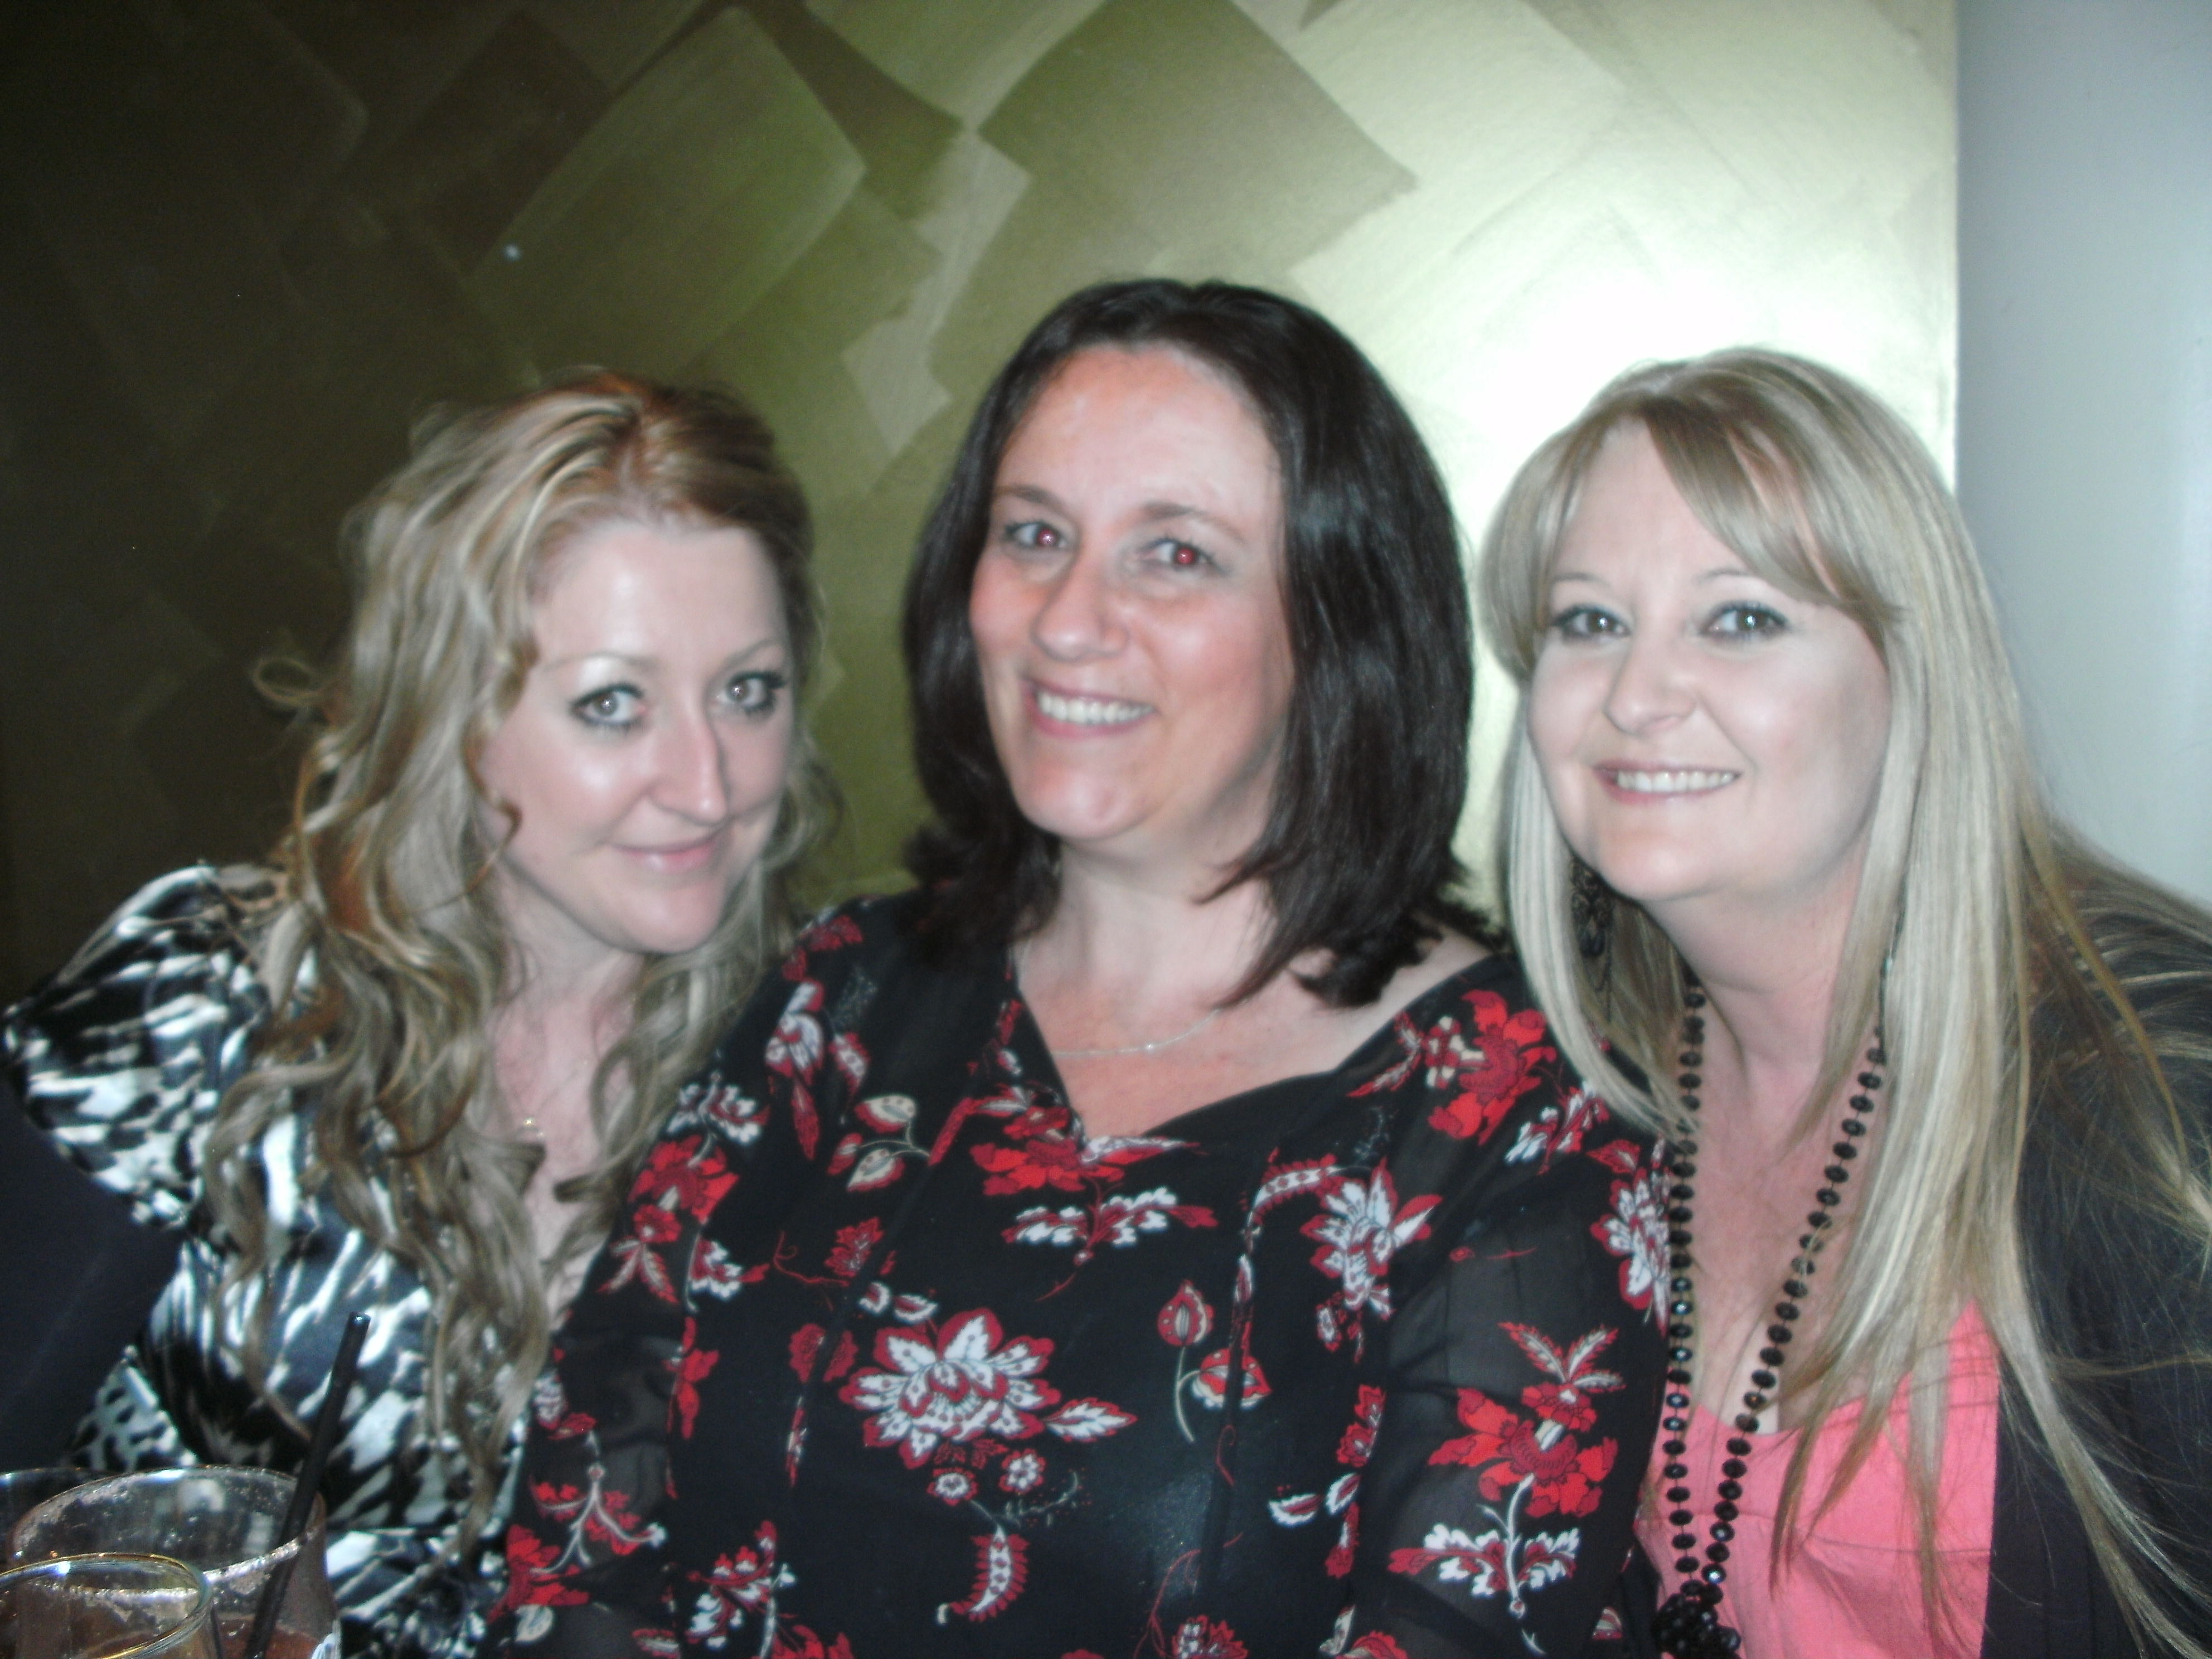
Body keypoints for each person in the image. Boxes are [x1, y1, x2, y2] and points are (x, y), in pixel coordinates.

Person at [492, 279, 1667, 1659]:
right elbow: (584, 1517)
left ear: (1336, 621)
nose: (1066, 619)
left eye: (1174, 554)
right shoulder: (845, 992)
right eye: (1035, 534)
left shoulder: (1517, 1119)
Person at [1, 372, 836, 1659]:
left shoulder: (806, 1086)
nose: (707, 784)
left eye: (748, 691)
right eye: (612, 702)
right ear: (456, 715)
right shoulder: (214, 1000)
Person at [1481, 347, 2212, 1658]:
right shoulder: (1571, 1091)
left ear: (1910, 672)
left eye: (1739, 619)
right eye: (1588, 623)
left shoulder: (2160, 1093)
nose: (1636, 696)